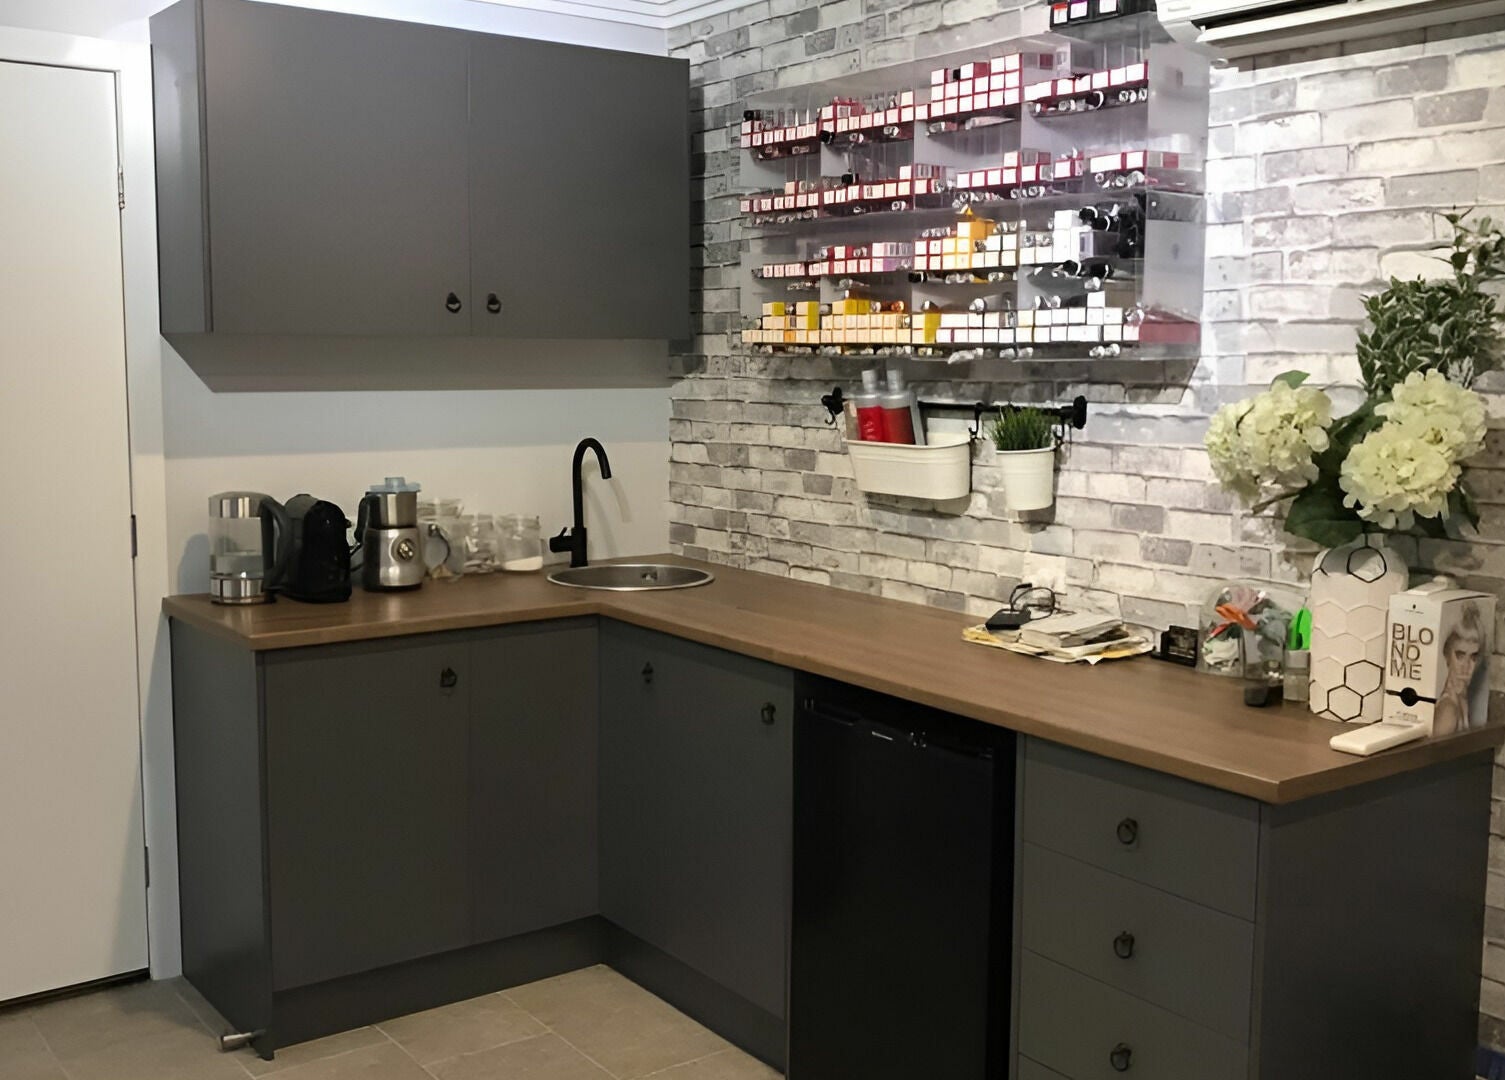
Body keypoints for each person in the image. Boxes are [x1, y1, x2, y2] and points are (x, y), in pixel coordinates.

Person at [1435, 602, 1487, 736]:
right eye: (1460, 655)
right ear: (1447, 655)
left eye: (1473, 657)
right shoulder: (1448, 710)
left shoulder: (1462, 701)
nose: (1466, 666)